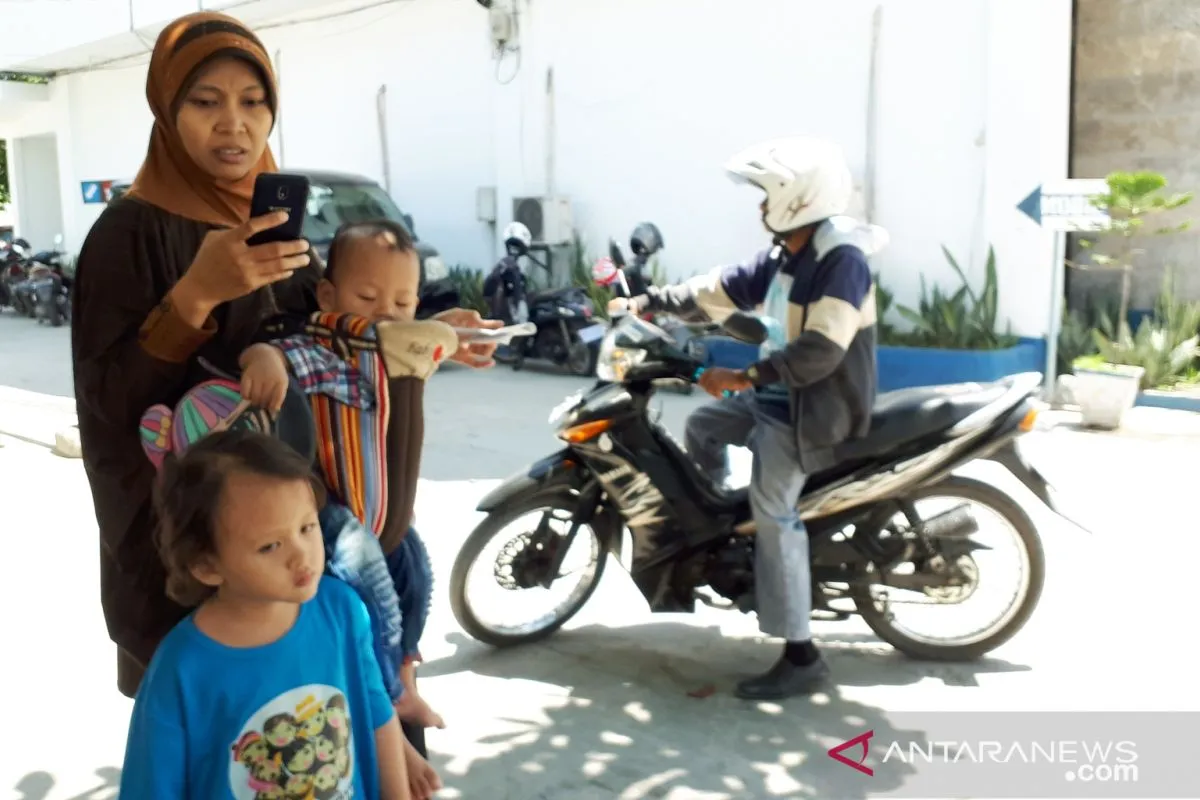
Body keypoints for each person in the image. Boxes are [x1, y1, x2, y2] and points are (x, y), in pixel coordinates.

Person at [69, 4, 494, 753]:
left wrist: (420, 334)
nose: (233, 125)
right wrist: (196, 296)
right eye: (205, 101)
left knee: (355, 724)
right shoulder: (125, 235)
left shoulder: (275, 223)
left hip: (309, 521)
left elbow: (324, 327)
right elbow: (109, 406)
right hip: (211, 552)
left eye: (253, 101)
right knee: (252, 753)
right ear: (167, 109)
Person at [608, 136, 888, 700]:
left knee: (773, 511)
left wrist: (744, 377)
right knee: (702, 428)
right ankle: (722, 534)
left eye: (767, 194)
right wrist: (649, 302)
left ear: (797, 197)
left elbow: (821, 351)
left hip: (814, 407)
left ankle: (802, 655)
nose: (761, 205)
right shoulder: (790, 253)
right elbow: (722, 288)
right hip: (780, 393)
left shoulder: (841, 261)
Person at [239, 220, 455, 777]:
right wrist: (262, 358)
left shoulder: (396, 357)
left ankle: (405, 673)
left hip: (383, 506)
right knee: (370, 577)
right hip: (329, 507)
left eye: (402, 302)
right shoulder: (322, 351)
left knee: (417, 570)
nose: (386, 313)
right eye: (368, 297)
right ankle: (390, 698)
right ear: (329, 296)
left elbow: (437, 343)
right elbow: (278, 352)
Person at [118, 428, 412, 800]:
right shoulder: (182, 669)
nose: (301, 554)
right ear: (207, 565)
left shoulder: (343, 610)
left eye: (307, 527)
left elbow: (376, 713)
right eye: (270, 545)